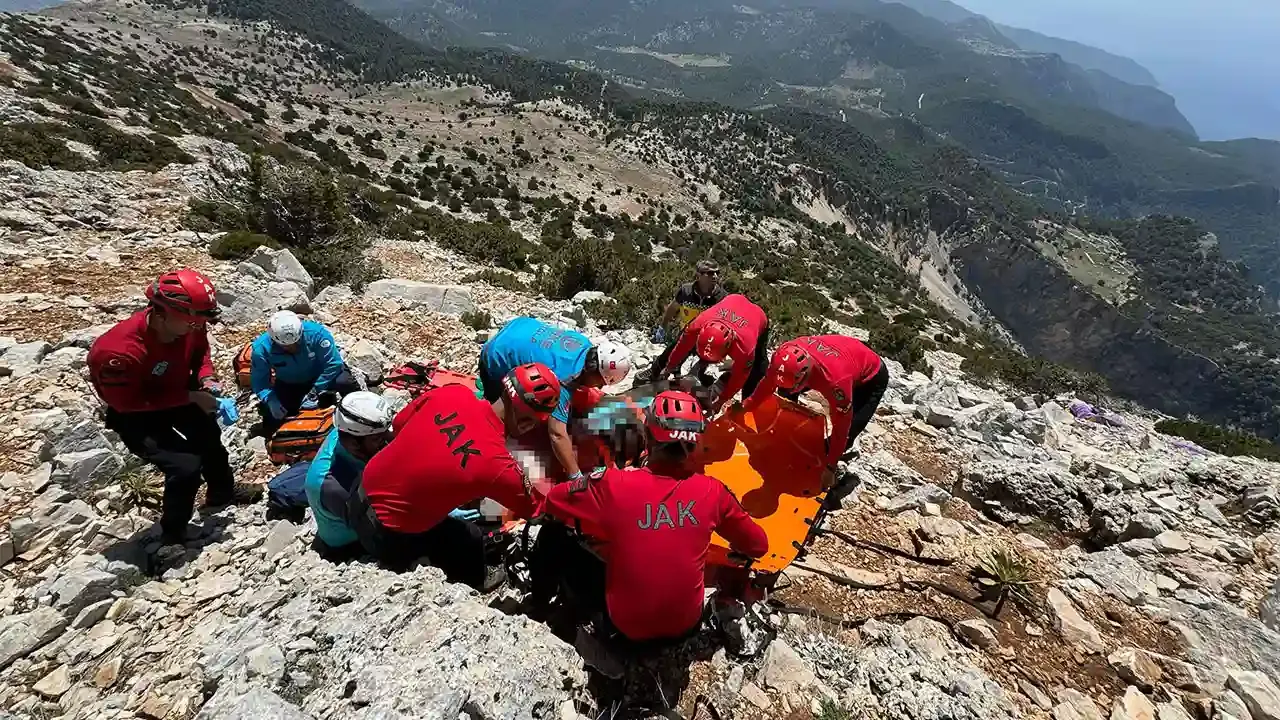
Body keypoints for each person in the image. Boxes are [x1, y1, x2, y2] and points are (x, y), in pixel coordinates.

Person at [535, 390, 769, 643]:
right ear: (695, 441)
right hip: (685, 626)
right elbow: (758, 545)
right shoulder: (713, 491)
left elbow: (553, 501)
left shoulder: (612, 485)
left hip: (625, 628)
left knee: (555, 533)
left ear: (648, 435)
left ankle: (541, 606)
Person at [347, 363, 563, 589]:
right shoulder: (498, 466)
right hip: (388, 534)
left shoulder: (453, 393)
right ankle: (479, 585)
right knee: (470, 537)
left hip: (358, 491)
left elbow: (400, 423)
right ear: (528, 422)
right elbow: (537, 510)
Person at [87, 269, 259, 545]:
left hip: (179, 390)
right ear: (162, 313)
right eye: (192, 322)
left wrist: (206, 378)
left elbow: (200, 352)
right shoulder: (117, 351)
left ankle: (222, 492)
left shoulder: (190, 324)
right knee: (184, 466)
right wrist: (191, 398)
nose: (197, 327)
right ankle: (173, 531)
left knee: (209, 438)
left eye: (200, 322)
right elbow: (125, 402)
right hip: (137, 414)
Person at [477, 317, 631, 486]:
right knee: (508, 420)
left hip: (520, 327)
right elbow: (557, 434)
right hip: (496, 355)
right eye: (601, 382)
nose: (600, 387)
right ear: (595, 373)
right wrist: (576, 477)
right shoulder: (564, 379)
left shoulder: (584, 344)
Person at [743, 335, 889, 488]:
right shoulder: (783, 357)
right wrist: (745, 406)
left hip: (871, 377)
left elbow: (841, 429)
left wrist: (830, 466)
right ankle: (789, 441)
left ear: (805, 375)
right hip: (844, 354)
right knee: (785, 396)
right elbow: (767, 385)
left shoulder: (835, 381)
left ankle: (831, 475)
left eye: (794, 385)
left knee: (849, 430)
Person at [304, 391, 394, 554]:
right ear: (354, 443)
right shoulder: (335, 484)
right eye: (378, 438)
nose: (388, 438)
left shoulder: (349, 433)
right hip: (350, 543)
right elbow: (376, 534)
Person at [251, 310, 360, 436]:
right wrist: (271, 400)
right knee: (273, 416)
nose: (293, 348)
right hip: (290, 383)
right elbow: (260, 381)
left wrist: (315, 390)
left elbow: (333, 364)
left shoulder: (317, 333)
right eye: (286, 346)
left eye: (296, 342)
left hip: (323, 376)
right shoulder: (261, 349)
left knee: (345, 381)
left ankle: (359, 409)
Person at [654, 294, 769, 414]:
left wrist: (721, 400)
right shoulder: (697, 325)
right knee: (683, 339)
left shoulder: (745, 348)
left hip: (758, 316)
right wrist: (669, 367)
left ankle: (749, 406)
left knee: (756, 368)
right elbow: (681, 347)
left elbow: (739, 378)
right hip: (733, 300)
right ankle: (699, 376)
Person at [638, 259, 728, 382]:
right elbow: (672, 308)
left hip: (707, 339)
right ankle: (654, 372)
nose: (715, 276)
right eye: (710, 273)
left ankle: (698, 377)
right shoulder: (686, 291)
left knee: (701, 366)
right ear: (699, 275)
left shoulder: (722, 297)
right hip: (686, 333)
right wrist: (663, 327)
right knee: (671, 351)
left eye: (717, 272)